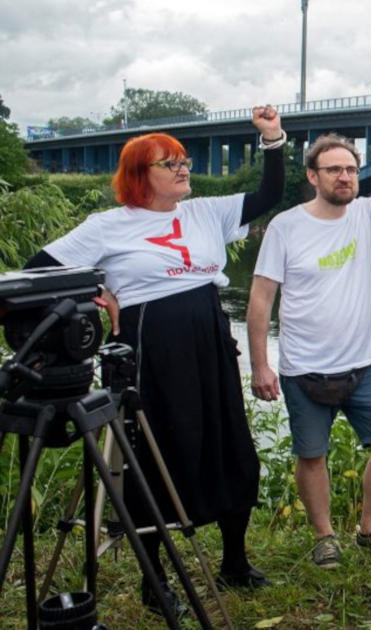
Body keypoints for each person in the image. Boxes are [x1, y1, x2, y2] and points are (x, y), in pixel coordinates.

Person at [29, 105, 285, 615]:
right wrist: (95, 290)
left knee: (230, 443)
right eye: (170, 163)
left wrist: (273, 140)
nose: (183, 168)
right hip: (151, 348)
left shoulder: (205, 212)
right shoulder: (107, 225)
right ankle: (156, 581)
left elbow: (269, 196)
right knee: (156, 456)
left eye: (184, 160)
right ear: (139, 175)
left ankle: (234, 561)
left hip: (211, 338)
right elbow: (38, 271)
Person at [247, 133, 371, 569]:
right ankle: (324, 536)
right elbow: (260, 298)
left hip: (364, 364)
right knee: (311, 455)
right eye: (334, 170)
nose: (344, 176)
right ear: (314, 176)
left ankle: (370, 528)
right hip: (304, 368)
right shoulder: (286, 226)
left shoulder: (367, 214)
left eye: (350, 169)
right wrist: (260, 365)